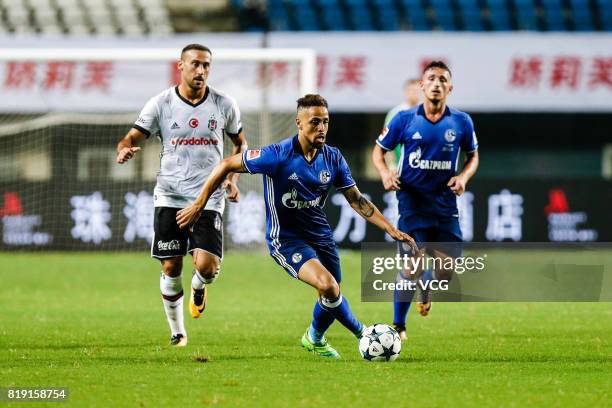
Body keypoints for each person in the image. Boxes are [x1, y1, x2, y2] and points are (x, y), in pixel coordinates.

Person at [177, 94, 417, 358]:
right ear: (299, 124)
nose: (322, 127)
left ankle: (314, 338)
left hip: (321, 236)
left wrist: (390, 229)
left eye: (325, 121)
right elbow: (225, 164)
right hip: (287, 240)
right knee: (328, 286)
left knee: (330, 292)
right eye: (315, 122)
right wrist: (199, 205)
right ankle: (365, 334)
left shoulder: (333, 158)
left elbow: (356, 200)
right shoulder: (276, 155)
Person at [116, 44, 248, 347]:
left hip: (208, 197)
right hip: (170, 197)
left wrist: (232, 177)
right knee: (171, 266)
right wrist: (124, 147)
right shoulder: (160, 104)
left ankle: (200, 287)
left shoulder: (224, 104)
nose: (201, 71)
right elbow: (132, 136)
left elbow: (240, 144)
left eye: (206, 66)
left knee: (207, 267)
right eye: (195, 65)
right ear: (181, 66)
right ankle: (178, 331)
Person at [371, 61, 479, 341]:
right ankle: (397, 326)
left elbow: (473, 156)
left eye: (443, 79)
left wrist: (464, 177)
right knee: (412, 266)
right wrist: (385, 173)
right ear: (422, 85)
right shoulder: (403, 120)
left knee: (446, 273)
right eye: (431, 78)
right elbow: (378, 152)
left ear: (450, 88)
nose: (436, 83)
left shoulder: (462, 122)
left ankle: (427, 286)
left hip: (445, 206)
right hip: (412, 204)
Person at [384, 79, 421, 166]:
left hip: (424, 169)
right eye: (411, 90)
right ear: (406, 92)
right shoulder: (395, 113)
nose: (414, 93)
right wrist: (391, 166)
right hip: (401, 168)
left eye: (416, 91)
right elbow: (386, 142)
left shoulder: (428, 112)